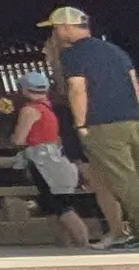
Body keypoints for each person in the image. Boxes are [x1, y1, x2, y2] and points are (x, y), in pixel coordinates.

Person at [48, 5, 139, 251]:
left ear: (65, 28)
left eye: (56, 28)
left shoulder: (73, 54)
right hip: (133, 119)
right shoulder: (114, 50)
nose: (55, 34)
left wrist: (80, 124)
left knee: (124, 180)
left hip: (102, 123)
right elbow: (134, 84)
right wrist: (135, 111)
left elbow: (77, 89)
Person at [9, 91, 104, 249]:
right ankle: (65, 245)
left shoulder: (32, 110)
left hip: (46, 162)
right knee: (51, 206)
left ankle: (82, 244)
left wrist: (16, 138)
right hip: (56, 159)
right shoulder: (52, 109)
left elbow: (19, 139)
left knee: (61, 207)